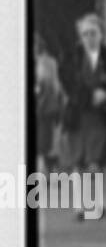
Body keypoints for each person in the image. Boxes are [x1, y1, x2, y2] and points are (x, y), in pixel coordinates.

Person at [58, 13, 106, 220]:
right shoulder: (71, 57)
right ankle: (81, 206)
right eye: (85, 33)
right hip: (79, 115)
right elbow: (68, 83)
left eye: (93, 33)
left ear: (102, 34)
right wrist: (89, 96)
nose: (89, 37)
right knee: (79, 161)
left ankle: (105, 203)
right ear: (79, 36)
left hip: (105, 115)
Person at [34, 33, 64, 171]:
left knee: (44, 146)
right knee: (46, 145)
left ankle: (46, 175)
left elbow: (50, 85)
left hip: (44, 109)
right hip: (47, 109)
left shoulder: (46, 62)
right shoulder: (49, 62)